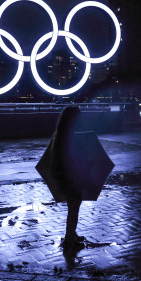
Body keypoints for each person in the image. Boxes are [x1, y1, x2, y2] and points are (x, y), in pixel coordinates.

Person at [51, 106, 85, 249]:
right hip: (69, 177)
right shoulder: (66, 137)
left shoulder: (61, 134)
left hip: (67, 176)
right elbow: (68, 159)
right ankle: (70, 237)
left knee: (74, 207)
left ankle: (71, 233)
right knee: (74, 207)